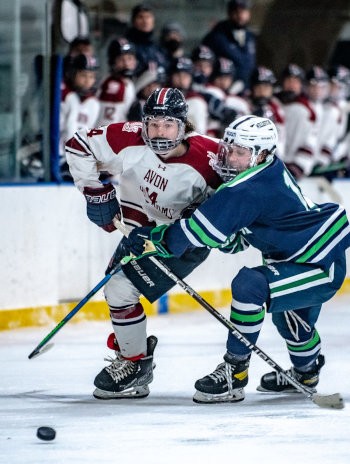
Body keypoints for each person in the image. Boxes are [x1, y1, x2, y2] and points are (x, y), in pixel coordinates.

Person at [124, 115, 350, 404]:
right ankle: (306, 373)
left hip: (318, 264)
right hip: (302, 254)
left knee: (250, 285)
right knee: (292, 321)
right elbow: (237, 239)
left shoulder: (249, 187)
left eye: (240, 153)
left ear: (262, 154)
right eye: (229, 149)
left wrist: (152, 237)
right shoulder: (265, 170)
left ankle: (235, 371)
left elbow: (191, 236)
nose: (230, 157)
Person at [65, 87, 223, 399]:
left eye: (167, 125)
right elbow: (78, 144)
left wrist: (204, 212)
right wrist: (95, 191)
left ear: (183, 125)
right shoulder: (129, 138)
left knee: (120, 289)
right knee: (117, 290)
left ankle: (134, 363)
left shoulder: (210, 157)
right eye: (152, 124)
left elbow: (238, 198)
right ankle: (136, 356)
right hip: (135, 233)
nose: (159, 133)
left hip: (180, 241)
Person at [60, 54, 100, 180]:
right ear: (72, 74)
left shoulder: (93, 103)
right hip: (57, 156)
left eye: (91, 76)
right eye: (83, 75)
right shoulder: (65, 95)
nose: (88, 81)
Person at [201, 0, 256, 91]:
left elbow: (249, 64)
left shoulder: (249, 36)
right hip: (223, 89)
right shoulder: (216, 36)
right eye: (237, 12)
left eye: (244, 11)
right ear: (230, 13)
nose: (241, 16)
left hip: (246, 89)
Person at [97, 37, 137, 126]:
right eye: (121, 59)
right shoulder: (113, 85)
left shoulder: (127, 83)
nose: (126, 63)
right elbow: (107, 125)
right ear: (112, 62)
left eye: (129, 58)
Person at [124, 3, 167, 76]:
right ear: (134, 21)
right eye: (140, 17)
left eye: (148, 17)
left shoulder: (159, 45)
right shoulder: (127, 45)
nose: (145, 21)